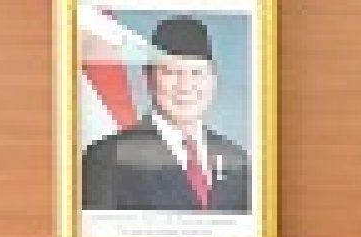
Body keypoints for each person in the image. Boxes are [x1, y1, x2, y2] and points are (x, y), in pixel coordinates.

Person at [80, 16, 253, 214]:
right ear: (148, 77)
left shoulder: (237, 160)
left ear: (213, 80)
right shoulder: (106, 158)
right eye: (171, 72)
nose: (185, 86)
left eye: (196, 72)